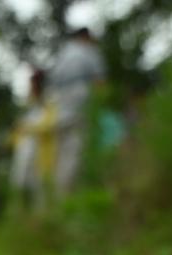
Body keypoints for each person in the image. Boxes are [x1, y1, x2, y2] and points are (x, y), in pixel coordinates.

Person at [46, 27, 106, 193]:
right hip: (79, 105)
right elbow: (100, 81)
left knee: (60, 155)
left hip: (58, 109)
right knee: (76, 151)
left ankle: (57, 196)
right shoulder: (89, 52)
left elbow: (51, 86)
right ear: (85, 37)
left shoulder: (62, 55)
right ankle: (71, 195)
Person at [10, 68, 58, 206]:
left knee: (40, 191)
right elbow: (18, 133)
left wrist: (27, 129)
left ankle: (40, 220)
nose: (30, 89)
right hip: (24, 154)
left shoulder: (50, 106)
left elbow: (50, 126)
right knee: (20, 188)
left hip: (42, 155)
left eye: (33, 85)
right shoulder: (30, 108)